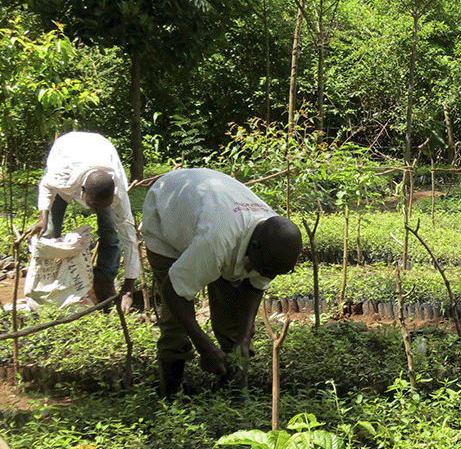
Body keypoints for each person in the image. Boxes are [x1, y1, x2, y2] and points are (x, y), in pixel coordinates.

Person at [140, 168, 302, 397]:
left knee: (234, 325)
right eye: (262, 269)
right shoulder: (217, 241)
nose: (263, 274)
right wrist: (203, 345)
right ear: (253, 247)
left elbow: (254, 286)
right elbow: (173, 290)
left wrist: (245, 337)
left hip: (212, 218)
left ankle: (233, 392)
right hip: (167, 215)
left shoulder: (273, 241)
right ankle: (168, 396)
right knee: (175, 324)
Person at [30, 131, 141, 306]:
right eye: (95, 206)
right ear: (82, 191)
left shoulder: (118, 190)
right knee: (50, 229)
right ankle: (49, 284)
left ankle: (104, 281)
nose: (98, 210)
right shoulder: (62, 175)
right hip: (67, 151)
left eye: (104, 205)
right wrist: (42, 215)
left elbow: (128, 235)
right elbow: (46, 185)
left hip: (101, 150)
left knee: (110, 231)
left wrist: (128, 288)